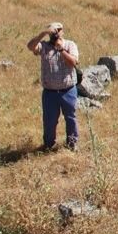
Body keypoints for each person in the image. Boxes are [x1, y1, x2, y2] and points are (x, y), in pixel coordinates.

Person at [26, 22, 80, 151]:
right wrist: (43, 34)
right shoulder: (44, 46)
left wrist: (61, 49)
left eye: (58, 30)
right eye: (53, 31)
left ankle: (72, 143)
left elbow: (73, 62)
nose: (56, 33)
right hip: (50, 92)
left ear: (62, 31)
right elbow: (30, 46)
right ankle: (48, 145)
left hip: (68, 90)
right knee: (49, 120)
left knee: (70, 118)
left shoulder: (70, 44)